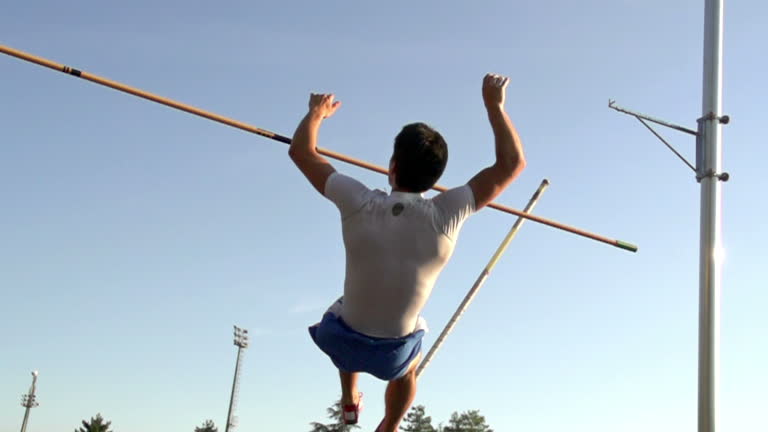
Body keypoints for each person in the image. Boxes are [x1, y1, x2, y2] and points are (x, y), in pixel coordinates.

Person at [289, 73, 525, 432]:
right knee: (408, 365)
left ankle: (349, 398)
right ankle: (391, 425)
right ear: (436, 178)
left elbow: (302, 152)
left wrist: (316, 114)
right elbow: (511, 164)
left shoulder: (358, 201)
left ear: (392, 167)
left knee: (347, 307)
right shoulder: (448, 212)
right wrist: (495, 106)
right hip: (392, 358)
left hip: (337, 341)